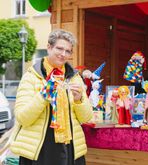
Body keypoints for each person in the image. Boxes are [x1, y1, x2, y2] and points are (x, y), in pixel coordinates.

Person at [10, 29, 93, 165]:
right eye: (59, 48)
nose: (63, 54)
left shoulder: (74, 78)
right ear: (49, 47)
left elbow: (86, 118)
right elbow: (22, 118)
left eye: (68, 51)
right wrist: (43, 96)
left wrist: (79, 100)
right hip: (39, 151)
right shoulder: (31, 77)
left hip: (70, 149)